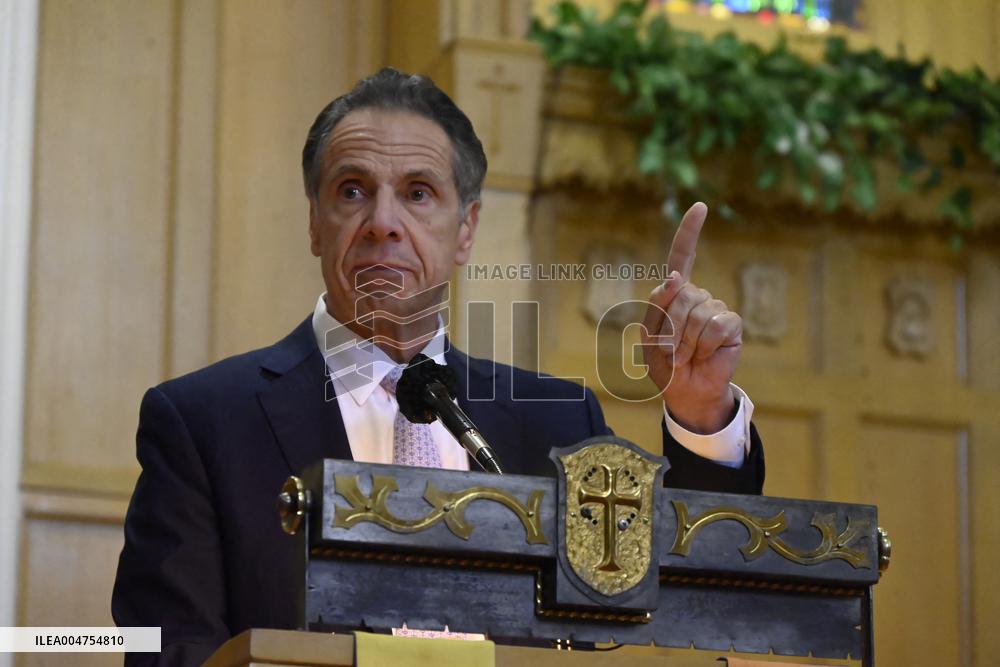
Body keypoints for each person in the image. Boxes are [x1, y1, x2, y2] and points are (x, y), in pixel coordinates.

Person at [112, 67, 764, 666]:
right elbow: (170, 652)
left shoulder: (555, 422)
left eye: (418, 193)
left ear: (466, 229)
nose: (383, 223)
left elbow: (697, 589)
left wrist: (701, 410)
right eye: (352, 190)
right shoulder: (203, 424)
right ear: (316, 222)